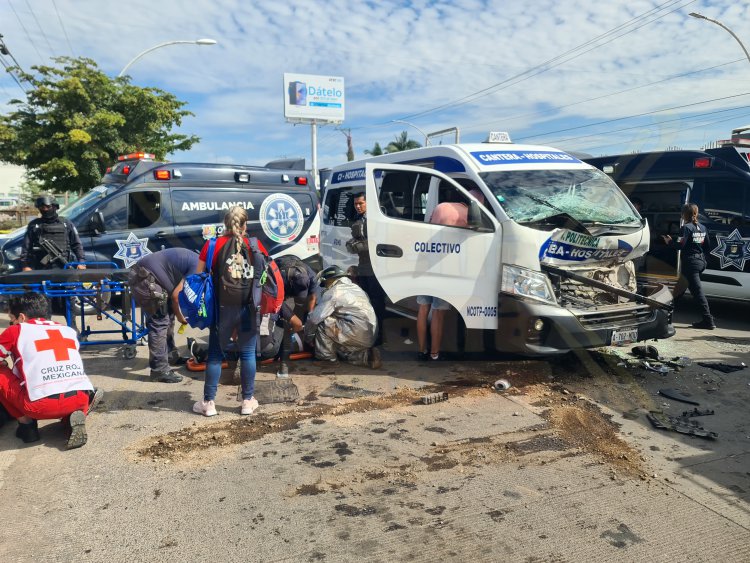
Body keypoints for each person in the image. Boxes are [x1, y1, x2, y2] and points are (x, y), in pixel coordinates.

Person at [0, 292, 101, 448]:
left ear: (21, 317)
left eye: (11, 320)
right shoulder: (67, 330)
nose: (11, 324)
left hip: (39, 407)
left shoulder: (17, 330)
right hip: (79, 398)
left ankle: (27, 426)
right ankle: (71, 417)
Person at [192, 206, 264, 417]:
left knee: (215, 354)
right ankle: (247, 402)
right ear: (245, 225)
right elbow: (266, 275)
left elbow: (198, 276)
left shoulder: (212, 245)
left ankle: (209, 403)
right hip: (248, 307)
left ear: (225, 224)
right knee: (248, 353)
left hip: (221, 308)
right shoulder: (255, 244)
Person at [417, 188, 485, 361]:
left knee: (423, 309)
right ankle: (434, 354)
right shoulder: (470, 215)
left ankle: (421, 349)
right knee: (438, 313)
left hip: (425, 263)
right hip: (445, 269)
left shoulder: (441, 207)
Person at [129, 248, 198, 383]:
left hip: (149, 277)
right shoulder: (197, 266)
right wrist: (181, 316)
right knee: (159, 322)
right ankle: (159, 370)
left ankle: (170, 355)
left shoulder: (196, 259)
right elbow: (176, 295)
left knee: (169, 315)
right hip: (145, 279)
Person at [304, 265, 381, 369]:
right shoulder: (356, 288)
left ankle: (327, 359)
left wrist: (308, 338)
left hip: (355, 331)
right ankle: (367, 356)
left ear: (331, 279)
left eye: (325, 283)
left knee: (322, 322)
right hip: (370, 334)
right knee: (338, 348)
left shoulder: (334, 292)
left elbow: (314, 319)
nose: (325, 287)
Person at [662, 203, 715, 329]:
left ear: (683, 214)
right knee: (678, 291)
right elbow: (707, 246)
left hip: (690, 264)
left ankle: (708, 321)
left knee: (697, 293)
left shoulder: (686, 228)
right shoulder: (702, 227)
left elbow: (680, 246)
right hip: (700, 262)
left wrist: (669, 242)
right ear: (696, 213)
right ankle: (665, 318)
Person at [346, 192, 386, 345]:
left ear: (368, 203)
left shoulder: (376, 219)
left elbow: (378, 242)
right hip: (363, 268)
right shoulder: (358, 221)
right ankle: (370, 334)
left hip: (375, 269)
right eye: (356, 204)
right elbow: (354, 243)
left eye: (360, 203)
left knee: (377, 304)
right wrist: (353, 244)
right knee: (366, 303)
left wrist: (359, 245)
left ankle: (379, 336)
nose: (358, 206)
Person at [21, 195, 86, 272]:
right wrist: (25, 265)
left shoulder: (65, 223)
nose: (45, 209)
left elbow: (76, 244)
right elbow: (26, 247)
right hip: (41, 267)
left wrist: (81, 262)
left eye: (48, 207)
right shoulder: (34, 225)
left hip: (64, 266)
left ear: (55, 207)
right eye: (42, 207)